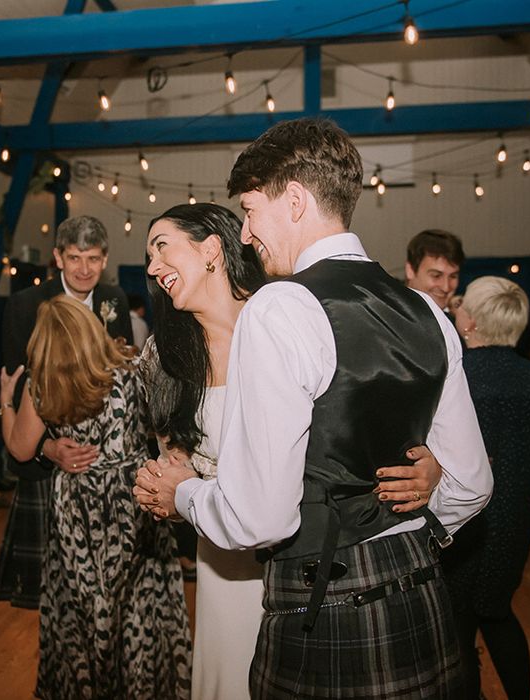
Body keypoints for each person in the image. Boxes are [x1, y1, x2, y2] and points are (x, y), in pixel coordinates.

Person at [136, 118, 492, 698]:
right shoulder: (428, 312)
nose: (246, 234)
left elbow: (261, 518)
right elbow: (471, 484)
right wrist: (408, 530)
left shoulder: (279, 309)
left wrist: (182, 494)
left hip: (323, 600)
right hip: (420, 589)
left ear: (295, 201)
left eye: (250, 211)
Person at [0, 295, 191, 699]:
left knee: (85, 606)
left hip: (79, 507)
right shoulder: (132, 371)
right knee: (139, 604)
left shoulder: (43, 382)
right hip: (135, 498)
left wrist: (5, 400)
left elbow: (19, 449)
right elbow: (168, 433)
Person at [0, 214, 133, 609]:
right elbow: (21, 381)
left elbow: (119, 370)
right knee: (51, 591)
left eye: (92, 259)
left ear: (104, 259)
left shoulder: (114, 300)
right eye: (74, 258)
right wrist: (49, 448)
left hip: (106, 459)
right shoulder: (25, 305)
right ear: (58, 257)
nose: (84, 269)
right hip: (47, 455)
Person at [445, 276, 530, 699]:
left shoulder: (455, 378)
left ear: (471, 323)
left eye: (461, 306)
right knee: (497, 614)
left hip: (462, 521)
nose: (455, 310)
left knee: (458, 621)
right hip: (514, 519)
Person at [405, 229, 465, 311]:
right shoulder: (389, 317)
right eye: (436, 276)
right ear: (410, 270)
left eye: (453, 276)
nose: (446, 287)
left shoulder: (460, 317)